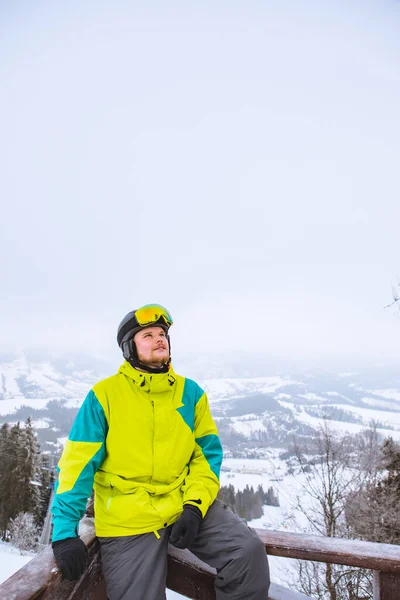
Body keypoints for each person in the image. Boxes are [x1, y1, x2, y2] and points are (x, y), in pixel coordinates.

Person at [51, 304, 270, 599]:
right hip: (129, 518)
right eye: (148, 335)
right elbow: (77, 465)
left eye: (162, 334)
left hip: (183, 503)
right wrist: (65, 531)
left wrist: (194, 506)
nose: (159, 339)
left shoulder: (190, 394)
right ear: (130, 347)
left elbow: (206, 458)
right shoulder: (105, 396)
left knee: (247, 553)